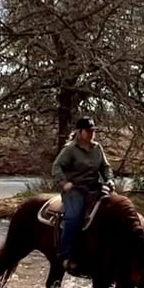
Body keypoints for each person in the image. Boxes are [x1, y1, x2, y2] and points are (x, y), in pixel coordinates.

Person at [52, 116, 114, 271]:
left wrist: (110, 179)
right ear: (79, 132)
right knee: (74, 217)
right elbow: (57, 167)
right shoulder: (70, 149)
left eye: (93, 131)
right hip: (75, 190)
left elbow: (105, 167)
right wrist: (64, 183)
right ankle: (65, 254)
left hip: (95, 188)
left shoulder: (97, 148)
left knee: (115, 210)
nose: (91, 133)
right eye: (88, 131)